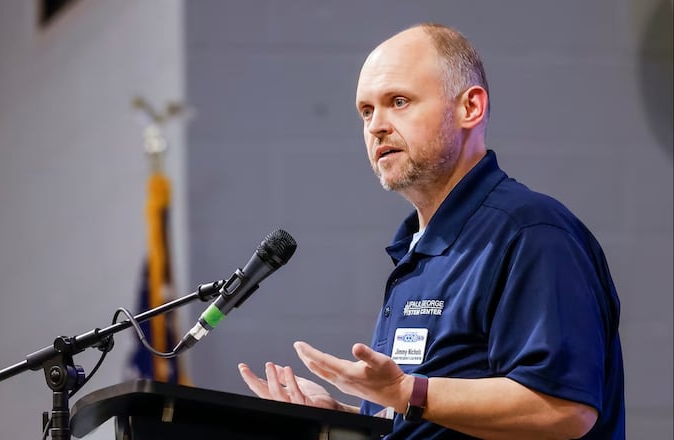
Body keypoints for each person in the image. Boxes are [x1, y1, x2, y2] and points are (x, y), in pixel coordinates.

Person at [237, 22, 625, 439]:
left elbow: (563, 409)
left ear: (470, 108)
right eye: (366, 111)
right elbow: (435, 414)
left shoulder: (531, 233)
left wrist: (406, 392)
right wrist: (341, 418)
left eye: (398, 101)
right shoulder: (417, 251)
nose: (376, 126)